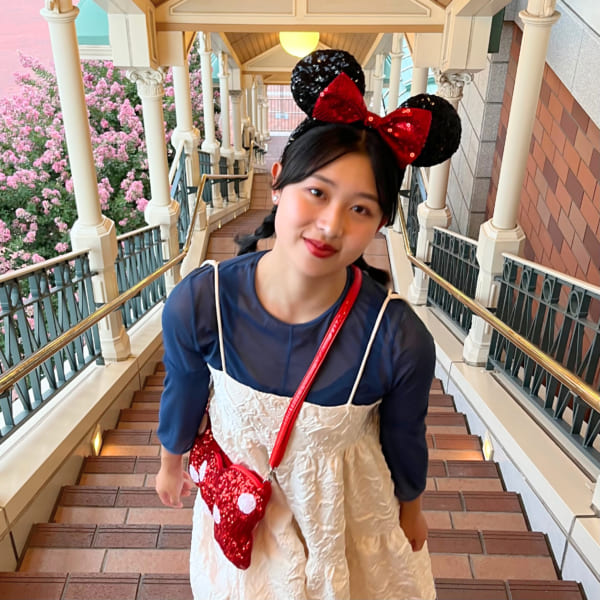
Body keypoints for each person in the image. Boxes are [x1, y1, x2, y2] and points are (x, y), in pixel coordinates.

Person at [155, 49, 461, 600]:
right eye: (317, 192)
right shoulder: (203, 302)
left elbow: (404, 434)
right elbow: (184, 387)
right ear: (278, 183)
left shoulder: (396, 338)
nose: (330, 225)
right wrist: (169, 463)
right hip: (245, 519)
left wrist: (411, 508)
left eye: (360, 209)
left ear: (381, 223)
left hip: (344, 525)